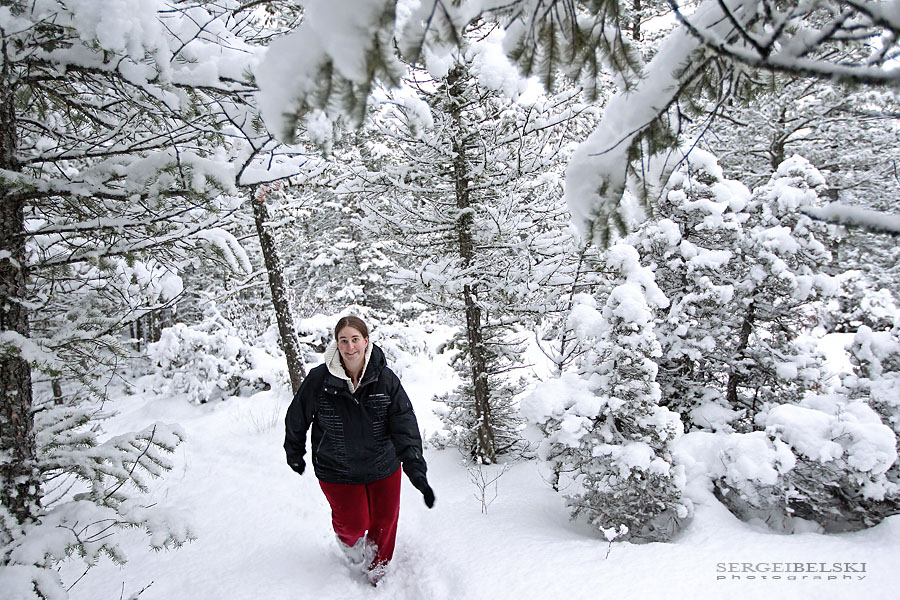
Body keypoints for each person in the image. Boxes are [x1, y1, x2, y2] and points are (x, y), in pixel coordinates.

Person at [284, 315, 435, 585]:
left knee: (385, 522)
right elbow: (297, 417)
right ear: (337, 344)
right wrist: (294, 452)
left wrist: (417, 472)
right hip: (337, 468)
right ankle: (349, 543)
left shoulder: (385, 379)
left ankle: (379, 571)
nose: (350, 347)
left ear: (366, 341)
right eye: (344, 341)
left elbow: (405, 426)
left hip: (382, 465)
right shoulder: (320, 379)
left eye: (355, 339)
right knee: (353, 524)